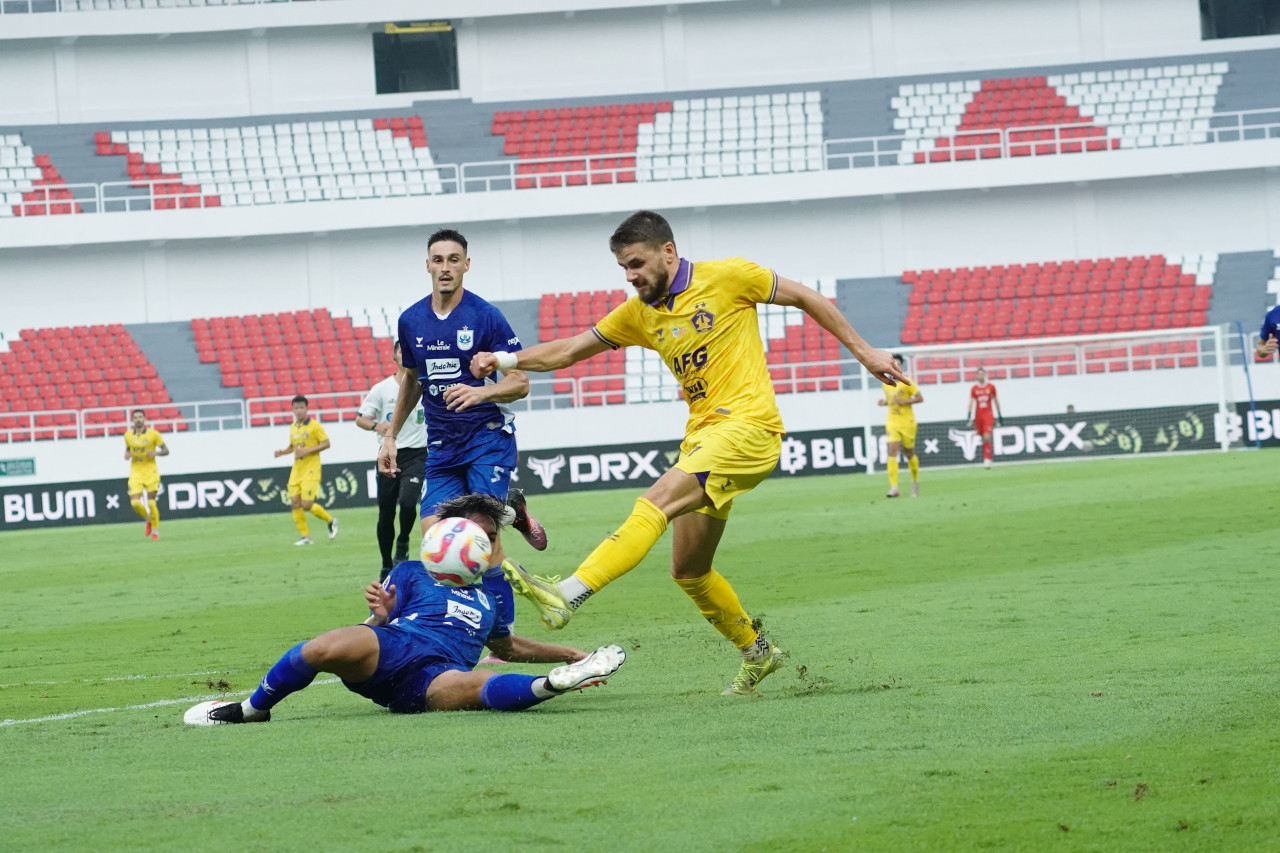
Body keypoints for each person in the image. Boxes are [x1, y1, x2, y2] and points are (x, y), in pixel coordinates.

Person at [469, 210, 907, 696]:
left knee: (655, 501)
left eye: (636, 264)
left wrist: (865, 352)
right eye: (623, 269)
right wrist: (506, 359)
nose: (631, 276)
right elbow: (570, 350)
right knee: (690, 569)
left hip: (749, 428)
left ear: (668, 252)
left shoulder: (729, 276)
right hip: (703, 437)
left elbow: (806, 297)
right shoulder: (640, 312)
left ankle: (566, 594)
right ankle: (758, 653)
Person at [186, 494, 623, 724]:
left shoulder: (493, 593)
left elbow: (507, 646)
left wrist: (570, 655)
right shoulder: (412, 571)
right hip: (391, 644)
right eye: (472, 530)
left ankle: (553, 685)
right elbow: (373, 626)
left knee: (478, 686)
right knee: (318, 649)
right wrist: (380, 615)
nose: (480, 539)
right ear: (450, 532)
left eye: (488, 534)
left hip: (437, 677)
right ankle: (253, 710)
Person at [376, 228, 547, 582]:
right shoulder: (410, 320)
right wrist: (390, 436)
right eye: (438, 260)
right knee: (435, 538)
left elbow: (521, 382)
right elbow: (411, 379)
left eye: (453, 260)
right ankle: (512, 510)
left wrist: (481, 393)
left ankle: (501, 629)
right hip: (441, 445)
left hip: (487, 439)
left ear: (466, 265)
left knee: (479, 536)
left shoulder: (485, 316)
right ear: (427, 265)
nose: (445, 268)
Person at [357, 339, 429, 580]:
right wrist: (377, 425)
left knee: (409, 503)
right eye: (401, 351)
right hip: (388, 454)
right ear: (395, 357)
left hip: (417, 453)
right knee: (386, 514)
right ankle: (387, 564)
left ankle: (404, 540)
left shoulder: (424, 384)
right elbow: (361, 418)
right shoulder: (381, 389)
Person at [273, 394, 337, 546]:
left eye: (302, 407)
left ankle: (331, 520)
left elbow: (326, 443)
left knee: (306, 504)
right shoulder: (293, 427)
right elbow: (294, 447)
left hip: (311, 470)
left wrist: (307, 451)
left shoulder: (314, 426)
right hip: (296, 471)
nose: (299, 411)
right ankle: (306, 536)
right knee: (295, 503)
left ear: (307, 408)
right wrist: (282, 452)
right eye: (296, 408)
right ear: (293, 410)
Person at [877, 354, 922, 498]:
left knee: (909, 453)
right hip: (892, 422)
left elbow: (920, 398)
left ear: (901, 367)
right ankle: (894, 487)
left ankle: (915, 482)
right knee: (892, 451)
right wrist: (883, 403)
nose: (895, 367)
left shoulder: (908, 382)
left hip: (908, 423)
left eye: (898, 364)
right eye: (893, 364)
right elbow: (891, 401)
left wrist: (904, 401)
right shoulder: (886, 384)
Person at [123, 408, 168, 540]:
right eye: (135, 417)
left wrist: (155, 453)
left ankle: (155, 531)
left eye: (140, 417)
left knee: (151, 504)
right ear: (132, 420)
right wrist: (127, 454)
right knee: (135, 503)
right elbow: (128, 449)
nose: (138, 420)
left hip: (151, 472)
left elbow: (166, 450)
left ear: (144, 419)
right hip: (136, 472)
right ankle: (148, 519)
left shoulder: (154, 435)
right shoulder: (128, 436)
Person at [966, 366, 1002, 469]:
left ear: (985, 375)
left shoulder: (991, 387)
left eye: (982, 374)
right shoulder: (974, 388)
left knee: (987, 437)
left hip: (988, 415)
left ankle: (987, 459)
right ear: (976, 376)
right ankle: (986, 456)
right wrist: (969, 415)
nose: (980, 376)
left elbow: (996, 400)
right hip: (978, 416)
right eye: (979, 374)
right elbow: (971, 402)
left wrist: (1000, 415)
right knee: (982, 438)